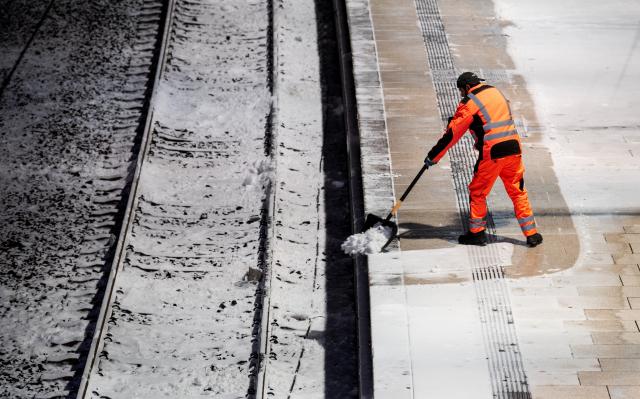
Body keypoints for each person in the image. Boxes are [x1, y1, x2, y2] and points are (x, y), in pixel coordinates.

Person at [424, 72, 543, 247]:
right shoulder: (495, 91)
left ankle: (477, 234)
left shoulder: (470, 102)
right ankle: (531, 234)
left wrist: (433, 156)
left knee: (477, 191)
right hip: (514, 148)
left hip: (493, 153)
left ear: (466, 87)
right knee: (517, 191)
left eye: (461, 91)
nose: (462, 95)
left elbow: (452, 134)